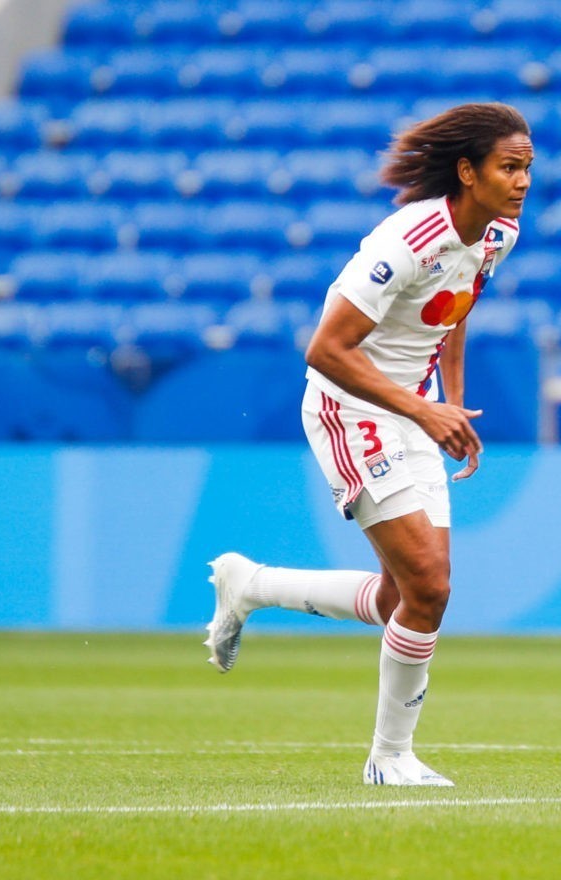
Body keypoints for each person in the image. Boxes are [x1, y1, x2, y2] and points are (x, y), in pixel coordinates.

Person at [202, 102, 533, 787]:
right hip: (351, 407)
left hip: (410, 406)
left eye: (529, 166)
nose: (523, 180)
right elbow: (325, 349)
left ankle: (252, 585)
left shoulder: (497, 234)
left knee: (409, 598)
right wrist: (422, 407)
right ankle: (388, 759)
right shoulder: (408, 240)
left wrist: (449, 401)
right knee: (430, 587)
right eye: (509, 167)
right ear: (467, 172)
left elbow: (454, 308)